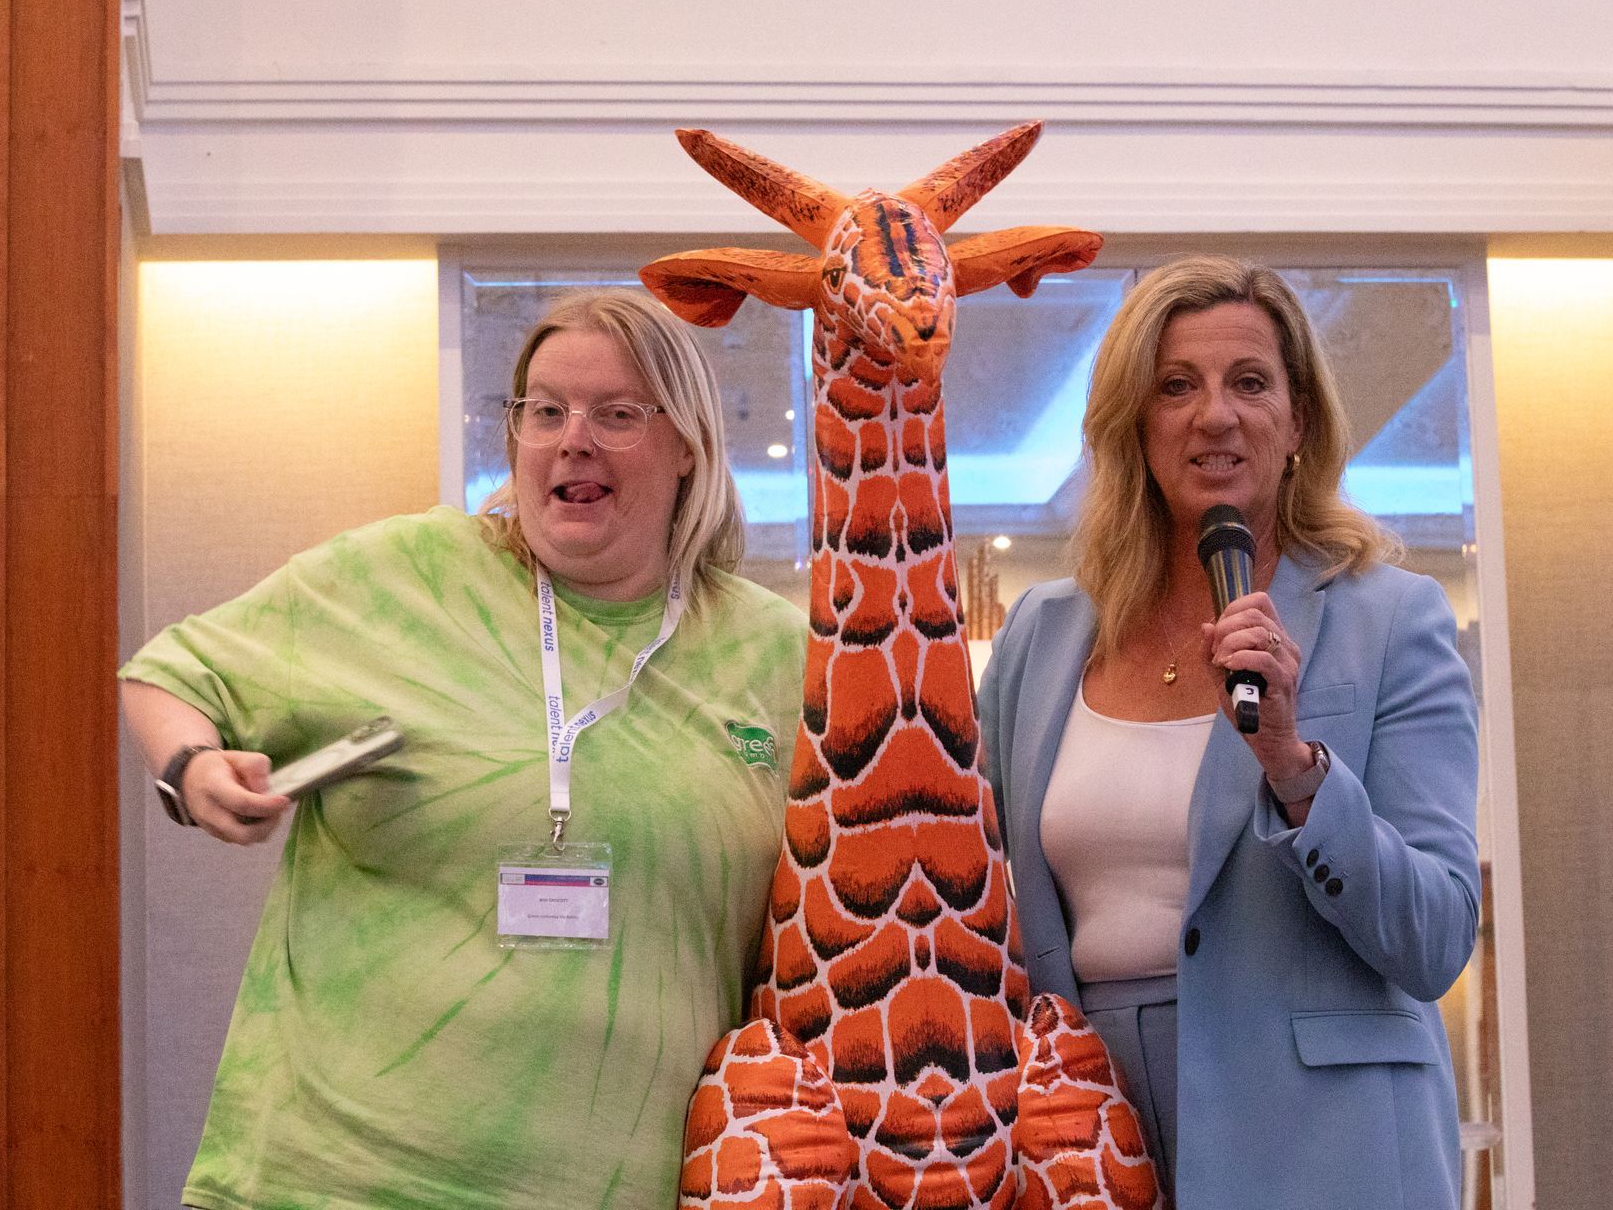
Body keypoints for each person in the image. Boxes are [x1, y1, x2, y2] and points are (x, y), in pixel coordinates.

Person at [121, 288, 806, 1210]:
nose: (573, 439)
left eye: (617, 414)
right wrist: (192, 769)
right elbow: (172, 672)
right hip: (332, 1176)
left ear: (687, 446)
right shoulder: (405, 577)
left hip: (616, 1184)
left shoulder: (776, 652)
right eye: (545, 411)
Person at [977, 256, 1479, 1209]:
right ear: (1134, 425)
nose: (1216, 415)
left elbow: (1436, 936)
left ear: (1298, 423)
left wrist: (1296, 770)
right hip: (1080, 1134)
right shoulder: (1042, 636)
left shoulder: (1392, 619)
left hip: (1324, 1144)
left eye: (1250, 382)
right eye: (1177, 387)